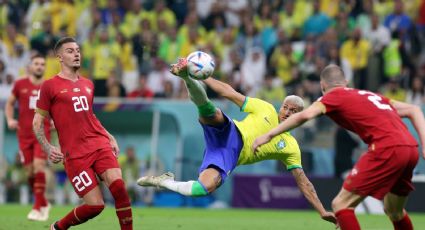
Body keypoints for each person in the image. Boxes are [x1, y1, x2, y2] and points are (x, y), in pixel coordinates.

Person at [137, 58, 337, 226]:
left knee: (201, 189)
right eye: (286, 107)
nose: (288, 113)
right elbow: (229, 92)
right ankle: (186, 77)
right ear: (280, 107)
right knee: (209, 110)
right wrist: (205, 77)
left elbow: (303, 182)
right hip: (231, 132)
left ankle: (163, 181)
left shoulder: (291, 147)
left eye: (294, 112)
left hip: (227, 156)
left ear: (301, 117)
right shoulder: (265, 108)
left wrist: (321, 210)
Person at [253, 64, 425, 230]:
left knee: (341, 204)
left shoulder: (332, 96)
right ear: (346, 83)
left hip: (388, 147)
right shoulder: (371, 96)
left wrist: (269, 135)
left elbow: (304, 116)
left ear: (322, 86)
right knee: (394, 210)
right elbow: (414, 110)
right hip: (410, 149)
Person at [33, 37, 133, 230]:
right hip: (75, 154)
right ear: (59, 57)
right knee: (95, 206)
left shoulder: (88, 84)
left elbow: (90, 115)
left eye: (78, 50)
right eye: (70, 51)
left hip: (99, 143)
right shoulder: (49, 86)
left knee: (119, 187)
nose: (76, 53)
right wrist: (48, 147)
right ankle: (59, 227)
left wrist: (109, 136)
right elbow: (37, 122)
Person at [5, 54, 51, 221]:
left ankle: (37, 207)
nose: (39, 66)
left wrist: (54, 120)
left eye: (42, 64)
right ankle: (44, 202)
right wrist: (10, 119)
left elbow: (57, 106)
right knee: (29, 171)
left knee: (39, 165)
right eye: (36, 64)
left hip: (41, 132)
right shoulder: (20, 84)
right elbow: (9, 103)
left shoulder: (49, 86)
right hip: (23, 134)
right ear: (30, 67)